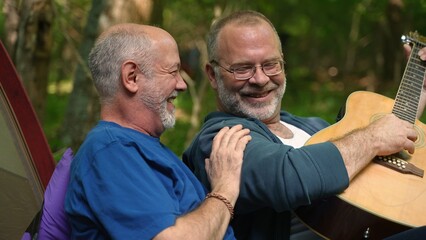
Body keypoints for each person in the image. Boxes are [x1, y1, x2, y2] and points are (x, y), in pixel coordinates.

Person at [183, 10, 426, 240]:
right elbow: (289, 176)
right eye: (243, 68)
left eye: (271, 64)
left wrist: (419, 91)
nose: (260, 78)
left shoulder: (312, 127)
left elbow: (367, 163)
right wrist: (374, 137)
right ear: (213, 75)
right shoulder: (219, 139)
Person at [64, 23, 252, 240]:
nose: (182, 84)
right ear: (132, 76)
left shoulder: (137, 145)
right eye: (173, 71)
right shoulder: (111, 151)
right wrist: (224, 189)